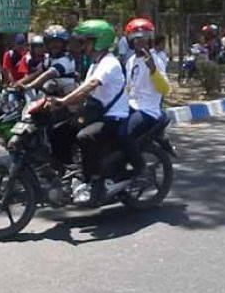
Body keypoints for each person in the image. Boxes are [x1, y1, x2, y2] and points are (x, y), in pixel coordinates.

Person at [53, 19, 128, 206]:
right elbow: (82, 87)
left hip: (113, 117)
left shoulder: (109, 63)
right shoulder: (95, 63)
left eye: (87, 41)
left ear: (100, 41)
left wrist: (63, 102)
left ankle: (95, 182)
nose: (83, 45)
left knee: (84, 136)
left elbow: (90, 86)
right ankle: (70, 174)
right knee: (60, 129)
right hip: (97, 112)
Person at [123, 18, 170, 187]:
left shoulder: (155, 60)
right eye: (136, 38)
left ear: (150, 39)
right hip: (130, 107)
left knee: (124, 133)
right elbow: (129, 88)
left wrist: (153, 69)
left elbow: (165, 89)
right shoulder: (130, 61)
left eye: (143, 37)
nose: (139, 41)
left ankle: (141, 170)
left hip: (148, 110)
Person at [22, 25, 76, 96]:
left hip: (67, 96)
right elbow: (39, 73)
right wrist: (20, 83)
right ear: (47, 44)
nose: (55, 45)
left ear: (64, 44)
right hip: (52, 93)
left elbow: (49, 74)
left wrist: (29, 86)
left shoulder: (66, 59)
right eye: (52, 42)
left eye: (58, 42)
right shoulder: (49, 58)